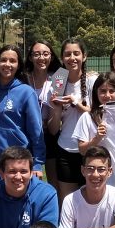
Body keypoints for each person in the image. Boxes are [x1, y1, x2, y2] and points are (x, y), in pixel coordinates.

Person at [0, 44, 45, 192]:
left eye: (12, 61)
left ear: (18, 65)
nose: (7, 64)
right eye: (3, 60)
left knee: (17, 206)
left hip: (19, 157)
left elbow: (36, 131)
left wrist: (37, 164)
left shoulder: (26, 92)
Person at [47, 38, 98, 200]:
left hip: (90, 148)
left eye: (76, 53)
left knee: (92, 200)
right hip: (65, 149)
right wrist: (56, 107)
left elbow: (99, 115)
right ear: (62, 58)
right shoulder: (58, 80)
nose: (72, 58)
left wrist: (75, 102)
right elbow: (53, 129)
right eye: (67, 54)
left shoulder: (93, 80)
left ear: (84, 56)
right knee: (67, 201)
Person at [72, 72, 115, 192]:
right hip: (96, 179)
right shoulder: (87, 117)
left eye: (112, 91)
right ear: (96, 93)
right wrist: (97, 138)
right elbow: (82, 150)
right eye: (103, 91)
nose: (107, 95)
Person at [22, 39, 64, 190]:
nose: (41, 58)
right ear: (31, 57)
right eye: (37, 54)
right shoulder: (24, 78)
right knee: (28, 183)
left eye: (46, 54)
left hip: (51, 133)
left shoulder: (58, 77)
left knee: (55, 184)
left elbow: (54, 128)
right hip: (27, 135)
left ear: (51, 57)